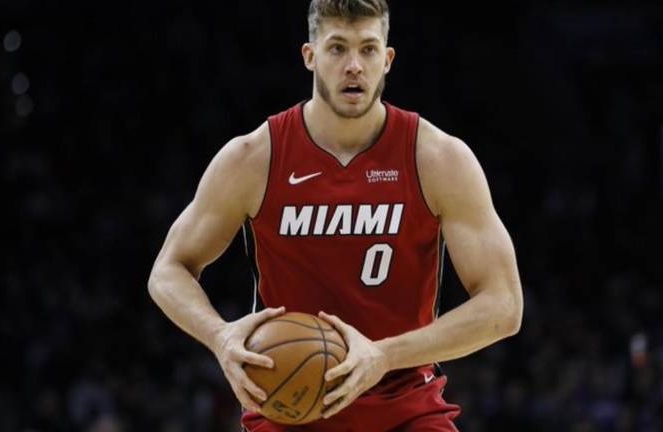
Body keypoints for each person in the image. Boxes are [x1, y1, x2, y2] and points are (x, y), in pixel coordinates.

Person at [148, 0, 524, 430]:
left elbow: (503, 305)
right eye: (337, 48)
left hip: (404, 407)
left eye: (367, 49)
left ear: (387, 59)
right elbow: (168, 270)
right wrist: (220, 335)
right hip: (287, 408)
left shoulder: (438, 159)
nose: (353, 66)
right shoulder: (255, 157)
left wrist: (384, 355)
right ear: (310, 56)